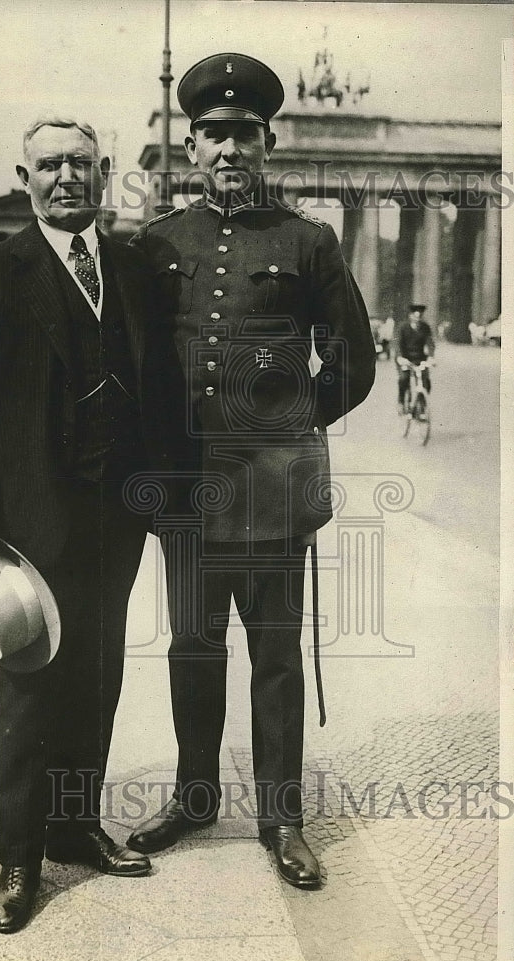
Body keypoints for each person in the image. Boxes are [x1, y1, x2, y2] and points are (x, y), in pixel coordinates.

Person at [125, 53, 376, 889]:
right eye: (212, 135)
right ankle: (195, 796)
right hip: (186, 487)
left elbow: (351, 360)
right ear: (188, 145)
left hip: (269, 486)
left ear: (266, 143)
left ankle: (281, 817)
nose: (228, 149)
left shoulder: (307, 240)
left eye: (244, 134)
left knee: (273, 654)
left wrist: (291, 428)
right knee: (193, 647)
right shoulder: (157, 243)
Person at [0, 115, 176, 934]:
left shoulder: (138, 271)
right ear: (24, 176)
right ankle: (17, 859)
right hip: (31, 518)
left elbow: (164, 388)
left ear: (103, 173)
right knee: (33, 685)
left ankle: (76, 824)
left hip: (120, 515)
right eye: (50, 165)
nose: (66, 176)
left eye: (80, 162)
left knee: (99, 673)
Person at [396, 303, 434, 412]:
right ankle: (401, 401)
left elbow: (430, 343)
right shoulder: (403, 327)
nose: (417, 318)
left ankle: (422, 404)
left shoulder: (425, 327)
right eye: (415, 316)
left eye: (420, 316)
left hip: (420, 358)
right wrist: (400, 357)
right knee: (404, 378)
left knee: (425, 379)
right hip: (405, 358)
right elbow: (398, 344)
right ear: (410, 316)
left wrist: (431, 357)